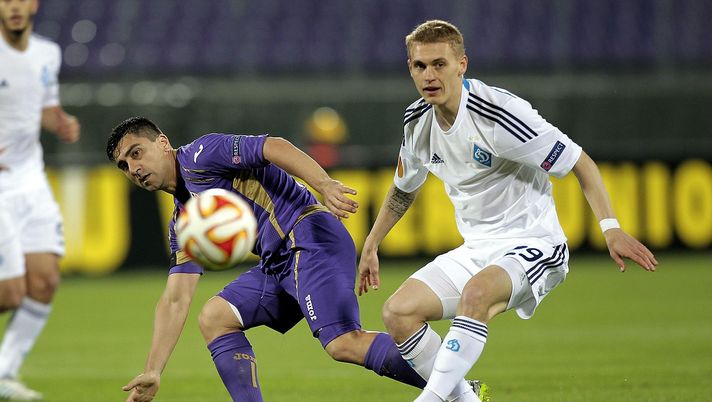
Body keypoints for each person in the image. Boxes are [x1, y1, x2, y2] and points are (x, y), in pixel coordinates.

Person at [357, 20, 658, 402]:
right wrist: (372, 243)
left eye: (439, 64)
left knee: (477, 293)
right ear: (410, 69)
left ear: (462, 65)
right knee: (398, 312)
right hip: (477, 248)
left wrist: (610, 227)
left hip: (535, 243)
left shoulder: (498, 114)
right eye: (420, 66)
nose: (429, 75)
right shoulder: (417, 121)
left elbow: (580, 162)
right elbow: (404, 188)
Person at [106, 117, 483, 402]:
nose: (133, 168)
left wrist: (324, 184)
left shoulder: (201, 155)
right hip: (279, 262)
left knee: (343, 343)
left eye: (136, 153)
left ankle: (460, 390)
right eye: (123, 165)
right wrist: (153, 370)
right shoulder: (183, 221)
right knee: (215, 317)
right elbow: (176, 298)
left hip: (308, 236)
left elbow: (273, 146)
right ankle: (459, 388)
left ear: (163, 142)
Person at [0, 0, 81, 400]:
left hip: (31, 179)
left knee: (45, 281)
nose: (14, 7)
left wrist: (61, 122)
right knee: (9, 294)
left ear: (33, 4)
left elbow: (43, 106)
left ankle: (3, 374)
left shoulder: (48, 52)